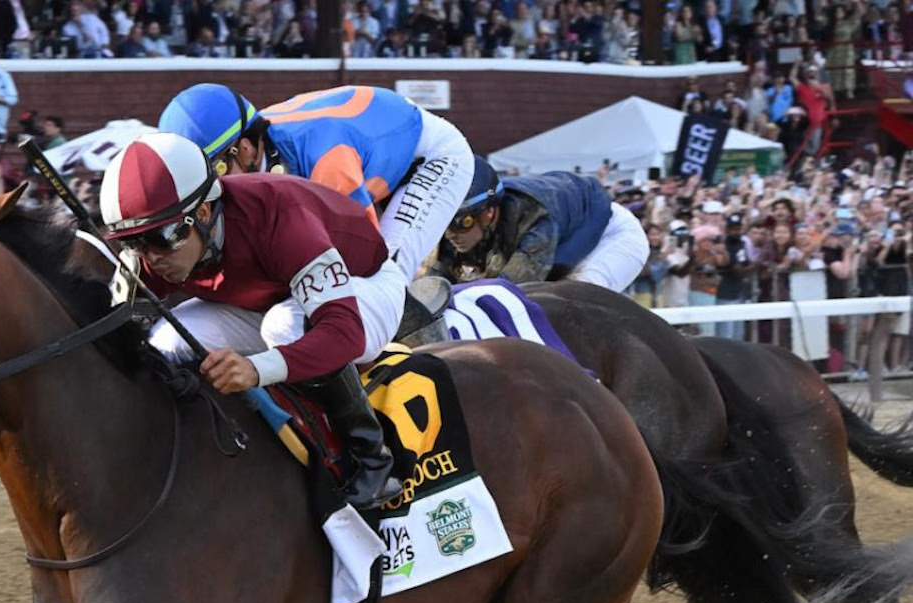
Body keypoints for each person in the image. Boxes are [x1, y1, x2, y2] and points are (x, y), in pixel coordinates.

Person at [100, 132, 405, 508]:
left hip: (366, 288)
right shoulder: (152, 254)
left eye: (161, 237)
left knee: (283, 327)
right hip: (272, 298)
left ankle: (371, 458)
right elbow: (115, 332)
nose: (151, 257)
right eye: (133, 242)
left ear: (205, 212)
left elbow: (344, 333)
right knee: (165, 340)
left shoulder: (281, 217)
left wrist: (255, 369)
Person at [157, 84, 473, 284]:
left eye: (215, 173)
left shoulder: (326, 163)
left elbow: (365, 252)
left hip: (432, 157)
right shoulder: (258, 146)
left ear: (247, 149)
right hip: (373, 143)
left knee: (385, 277)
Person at [432, 155, 649, 293]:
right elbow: (434, 287)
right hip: (566, 230)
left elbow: (509, 292)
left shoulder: (533, 218)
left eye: (461, 222)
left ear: (488, 212)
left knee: (572, 298)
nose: (450, 234)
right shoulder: (464, 223)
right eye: (444, 223)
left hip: (611, 236)